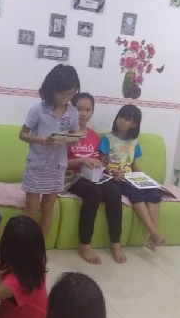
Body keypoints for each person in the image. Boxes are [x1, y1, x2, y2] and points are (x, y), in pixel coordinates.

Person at [19, 64, 84, 240]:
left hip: (57, 167)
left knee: (48, 209)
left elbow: (74, 134)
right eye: (63, 94)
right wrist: (39, 139)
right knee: (31, 208)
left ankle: (39, 247)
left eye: (71, 94)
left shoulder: (72, 112)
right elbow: (22, 135)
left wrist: (74, 139)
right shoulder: (38, 110)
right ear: (51, 90)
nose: (67, 98)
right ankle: (21, 245)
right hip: (37, 166)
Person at [67, 93, 126, 264]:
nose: (83, 113)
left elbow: (98, 162)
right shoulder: (66, 134)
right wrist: (82, 160)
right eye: (79, 109)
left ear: (92, 112)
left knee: (114, 191)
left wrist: (111, 171)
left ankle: (115, 243)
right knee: (93, 192)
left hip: (93, 175)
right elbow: (60, 163)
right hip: (71, 176)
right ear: (71, 109)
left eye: (88, 110)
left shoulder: (94, 136)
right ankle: (84, 244)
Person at [100, 104, 165, 250]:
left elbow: (133, 165)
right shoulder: (107, 139)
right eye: (120, 116)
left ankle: (152, 236)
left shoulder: (134, 143)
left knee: (155, 191)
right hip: (116, 178)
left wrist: (145, 179)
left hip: (130, 176)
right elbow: (102, 163)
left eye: (127, 119)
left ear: (134, 124)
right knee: (136, 193)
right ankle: (154, 234)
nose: (121, 121)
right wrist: (113, 172)